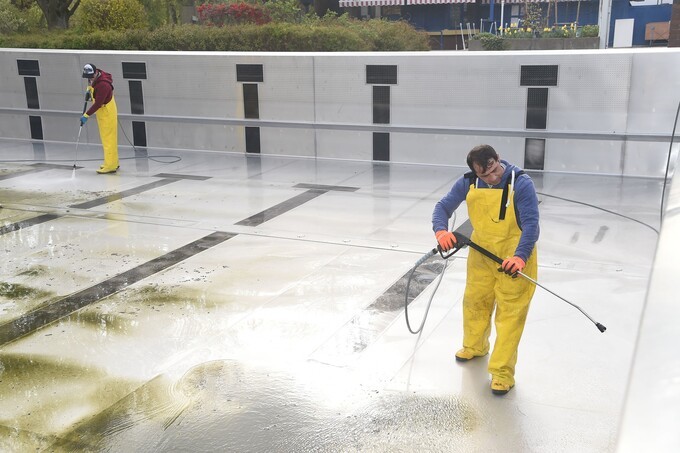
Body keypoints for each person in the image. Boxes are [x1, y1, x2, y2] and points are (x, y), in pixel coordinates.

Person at [432, 144, 539, 395]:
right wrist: (441, 231)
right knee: (474, 301)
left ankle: (502, 373)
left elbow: (532, 224)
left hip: (513, 256)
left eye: (494, 170)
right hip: (481, 254)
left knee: (510, 316)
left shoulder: (521, 183)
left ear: (497, 159)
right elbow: (443, 207)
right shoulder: (469, 182)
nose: (492, 178)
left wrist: (520, 257)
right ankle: (475, 346)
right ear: (475, 172)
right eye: (485, 175)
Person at [81, 63, 119, 174]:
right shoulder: (95, 78)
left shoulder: (103, 85)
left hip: (107, 113)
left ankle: (110, 166)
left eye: (90, 77)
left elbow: (98, 104)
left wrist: (86, 115)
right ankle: (113, 162)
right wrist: (89, 89)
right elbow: (93, 88)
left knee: (108, 140)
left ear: (95, 73)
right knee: (108, 139)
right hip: (103, 113)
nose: (89, 79)